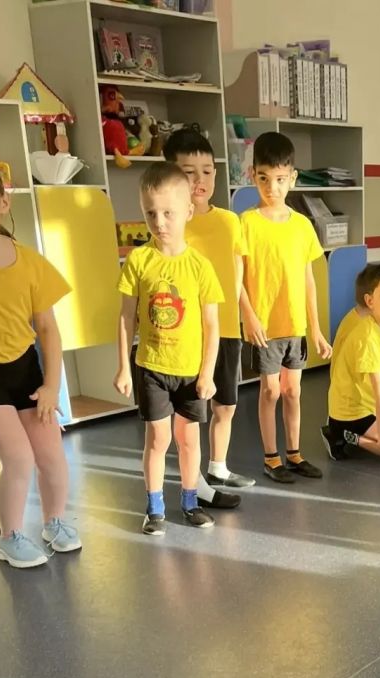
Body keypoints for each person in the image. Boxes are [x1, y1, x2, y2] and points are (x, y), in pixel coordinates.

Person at [0, 158, 80, 568]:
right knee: (19, 457)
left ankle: (54, 522)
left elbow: (48, 330)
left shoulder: (28, 261)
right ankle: (7, 538)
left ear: (3, 203)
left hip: (25, 368)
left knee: (51, 454)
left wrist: (51, 387)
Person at [114, 163, 223, 536]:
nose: (159, 222)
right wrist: (123, 367)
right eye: (150, 213)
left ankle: (190, 502)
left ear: (188, 211)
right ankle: (155, 507)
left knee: (189, 440)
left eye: (168, 213)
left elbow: (212, 325)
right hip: (152, 368)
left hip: (190, 371)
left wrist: (207, 373)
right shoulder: (138, 261)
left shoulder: (200, 267)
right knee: (158, 440)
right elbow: (126, 318)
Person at [164, 124, 254, 509]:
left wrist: (248, 315)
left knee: (226, 404)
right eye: (188, 172)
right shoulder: (171, 224)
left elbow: (238, 274)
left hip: (227, 328)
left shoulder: (230, 221)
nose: (199, 180)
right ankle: (195, 482)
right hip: (190, 334)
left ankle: (217, 467)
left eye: (206, 171)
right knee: (192, 412)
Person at [240, 132, 331, 484]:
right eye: (264, 178)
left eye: (279, 179)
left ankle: (294, 454)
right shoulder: (246, 223)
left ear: (292, 177)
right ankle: (271, 458)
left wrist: (316, 329)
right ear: (253, 175)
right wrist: (249, 316)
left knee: (293, 390)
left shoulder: (302, 225)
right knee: (270, 391)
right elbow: (236, 279)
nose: (272, 187)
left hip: (295, 326)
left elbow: (309, 281)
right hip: (265, 327)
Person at [321, 265, 380, 464]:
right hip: (351, 411)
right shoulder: (367, 336)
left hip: (366, 403)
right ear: (370, 301)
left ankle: (351, 432)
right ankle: (343, 433)